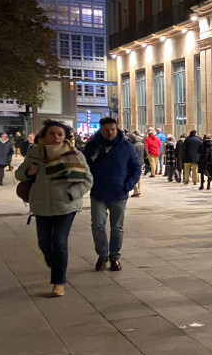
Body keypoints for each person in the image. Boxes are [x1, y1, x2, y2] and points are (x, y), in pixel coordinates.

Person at [15, 120, 93, 297]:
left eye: (60, 134)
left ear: (65, 137)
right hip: (41, 205)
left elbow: (87, 180)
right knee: (44, 244)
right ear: (44, 136)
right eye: (52, 133)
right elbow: (19, 174)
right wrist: (29, 172)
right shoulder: (35, 153)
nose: (56, 137)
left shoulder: (74, 155)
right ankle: (56, 264)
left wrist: (72, 194)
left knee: (59, 241)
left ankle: (58, 281)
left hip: (66, 205)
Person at [83, 117, 141, 272]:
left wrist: (127, 186)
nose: (110, 133)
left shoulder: (126, 147)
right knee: (97, 225)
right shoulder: (92, 146)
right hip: (98, 193)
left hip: (119, 193)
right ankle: (102, 255)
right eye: (106, 130)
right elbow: (83, 167)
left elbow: (136, 168)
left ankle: (114, 257)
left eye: (113, 129)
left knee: (117, 227)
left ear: (117, 129)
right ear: (100, 130)